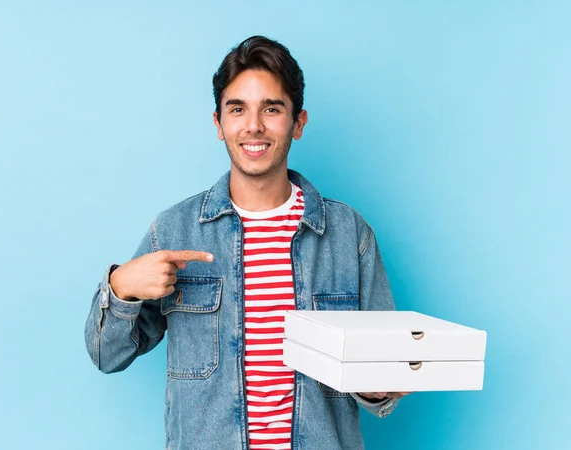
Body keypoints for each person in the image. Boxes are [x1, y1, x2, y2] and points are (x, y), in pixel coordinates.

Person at [85, 35, 408, 450]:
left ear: (298, 122)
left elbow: (381, 382)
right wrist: (120, 288)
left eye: (271, 109)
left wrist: (381, 387)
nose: (253, 125)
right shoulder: (175, 231)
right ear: (219, 124)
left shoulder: (349, 235)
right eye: (237, 109)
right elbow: (106, 355)